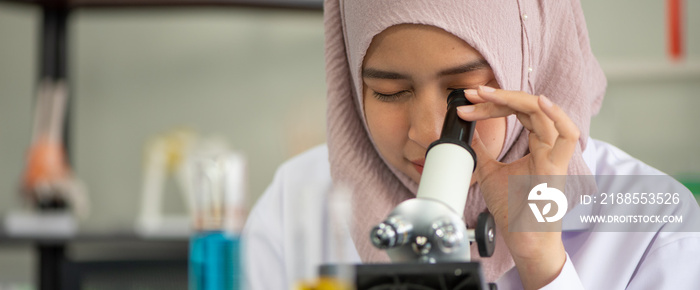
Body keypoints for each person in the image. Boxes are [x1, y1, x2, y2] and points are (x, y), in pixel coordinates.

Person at [242, 0, 700, 289]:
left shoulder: (656, 224)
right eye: (389, 91)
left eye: (463, 91)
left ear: (528, 69)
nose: (425, 132)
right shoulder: (294, 207)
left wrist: (544, 262)